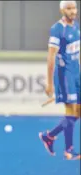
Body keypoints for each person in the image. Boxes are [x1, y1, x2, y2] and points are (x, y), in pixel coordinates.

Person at [39, 0, 80, 160]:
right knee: (70, 112)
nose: (73, 11)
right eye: (69, 8)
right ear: (62, 10)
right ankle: (69, 150)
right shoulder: (57, 29)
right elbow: (51, 57)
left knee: (78, 113)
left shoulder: (75, 26)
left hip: (76, 75)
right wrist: (50, 83)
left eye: (74, 8)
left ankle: (49, 136)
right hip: (65, 76)